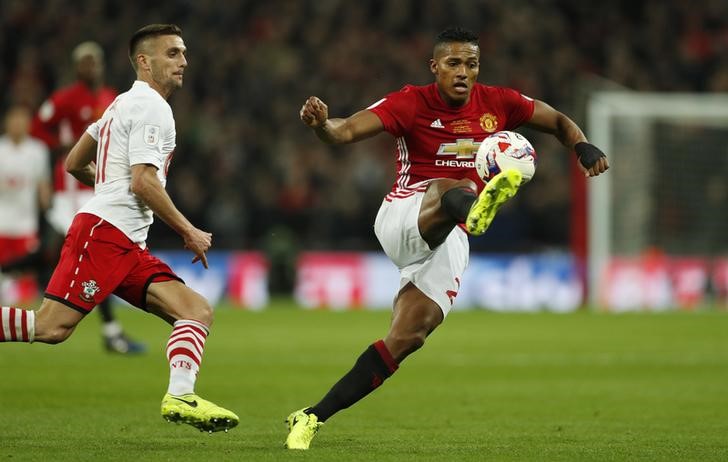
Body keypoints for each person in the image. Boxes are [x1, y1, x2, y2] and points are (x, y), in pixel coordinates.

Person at [285, 26, 609, 450]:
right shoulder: (409, 102)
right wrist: (321, 124)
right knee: (452, 186)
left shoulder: (499, 102)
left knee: (407, 338)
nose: (463, 72)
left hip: (451, 235)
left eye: (471, 64)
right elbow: (344, 132)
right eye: (453, 63)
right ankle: (474, 208)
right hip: (405, 213)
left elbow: (558, 121)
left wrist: (582, 147)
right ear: (434, 67)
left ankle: (310, 417)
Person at [0, 24, 238, 433]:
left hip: (126, 241)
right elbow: (142, 181)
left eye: (183, 53)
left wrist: (106, 184)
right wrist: (188, 230)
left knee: (195, 310)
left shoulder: (117, 105)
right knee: (51, 327)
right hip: (105, 233)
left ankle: (180, 396)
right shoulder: (152, 108)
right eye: (173, 54)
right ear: (144, 62)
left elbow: (73, 162)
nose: (184, 61)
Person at [30, 41, 146, 354]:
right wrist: (63, 143)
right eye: (85, 61)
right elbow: (38, 127)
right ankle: (110, 332)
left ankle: (110, 331)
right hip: (72, 186)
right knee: (76, 254)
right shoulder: (65, 98)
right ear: (77, 66)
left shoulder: (110, 97)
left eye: (95, 61)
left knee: (72, 254)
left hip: (102, 184)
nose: (91, 66)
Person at [0, 105, 52, 286]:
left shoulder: (37, 150)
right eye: (13, 121)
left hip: (25, 224)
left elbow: (43, 184)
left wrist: (47, 207)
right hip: (2, 222)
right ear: (6, 123)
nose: (17, 125)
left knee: (24, 281)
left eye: (21, 121)